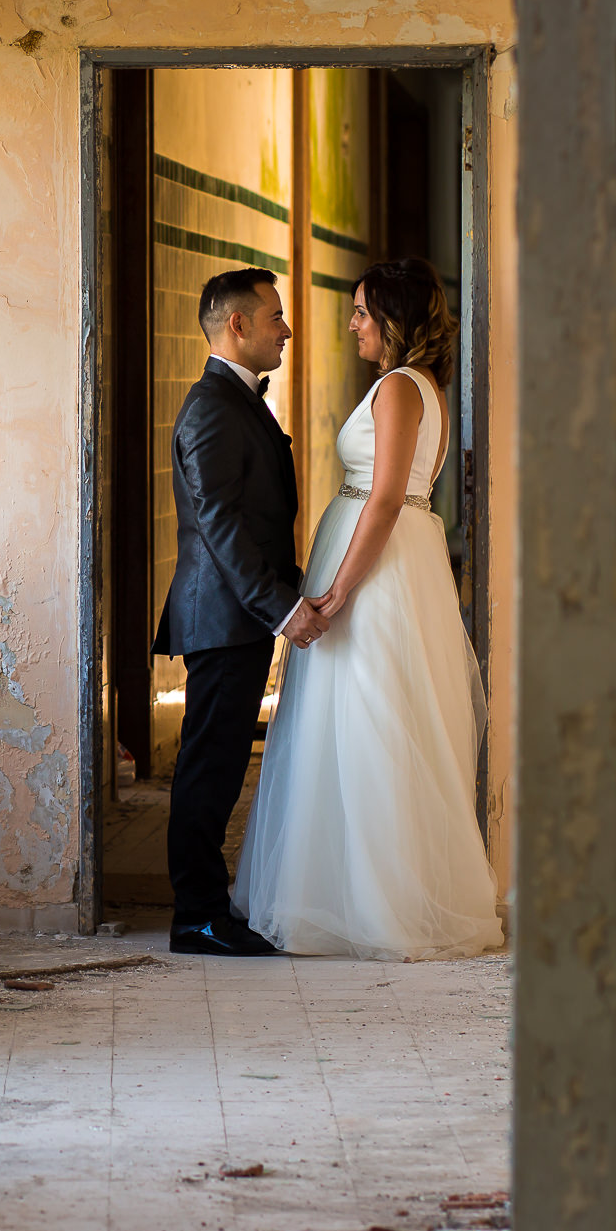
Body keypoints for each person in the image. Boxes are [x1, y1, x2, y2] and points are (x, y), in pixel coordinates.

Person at [232, 257, 504, 960]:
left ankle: (379, 905)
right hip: (393, 559)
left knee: (369, 722)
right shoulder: (422, 387)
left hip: (377, 570)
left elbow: (384, 498)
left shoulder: (397, 389)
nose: (351, 323)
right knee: (365, 722)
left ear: (392, 319)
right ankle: (360, 892)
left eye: (361, 312)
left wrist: (342, 589)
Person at [152, 268, 330, 958]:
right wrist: (282, 610)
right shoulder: (211, 408)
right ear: (239, 325)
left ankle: (207, 905)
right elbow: (222, 527)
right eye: (276, 316)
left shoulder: (236, 401)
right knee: (209, 767)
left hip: (238, 617)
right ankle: (195, 915)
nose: (285, 329)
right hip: (223, 619)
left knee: (220, 766)